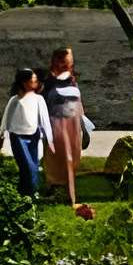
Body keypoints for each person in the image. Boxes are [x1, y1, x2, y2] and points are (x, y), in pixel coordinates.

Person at [43, 46, 87, 206]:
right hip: (57, 122)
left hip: (73, 123)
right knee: (57, 155)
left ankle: (68, 188)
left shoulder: (72, 81)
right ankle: (55, 186)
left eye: (71, 62)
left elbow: (79, 104)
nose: (70, 65)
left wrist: (84, 126)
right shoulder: (49, 82)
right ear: (58, 62)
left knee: (72, 155)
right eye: (67, 62)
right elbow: (44, 103)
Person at [0, 68, 49, 202]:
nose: (35, 82)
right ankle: (30, 191)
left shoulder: (38, 99)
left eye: (36, 80)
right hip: (18, 136)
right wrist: (2, 132)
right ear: (24, 82)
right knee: (26, 165)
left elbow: (44, 119)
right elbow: (7, 116)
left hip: (33, 135)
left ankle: (26, 191)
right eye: (32, 80)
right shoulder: (15, 100)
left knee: (34, 164)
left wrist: (49, 137)